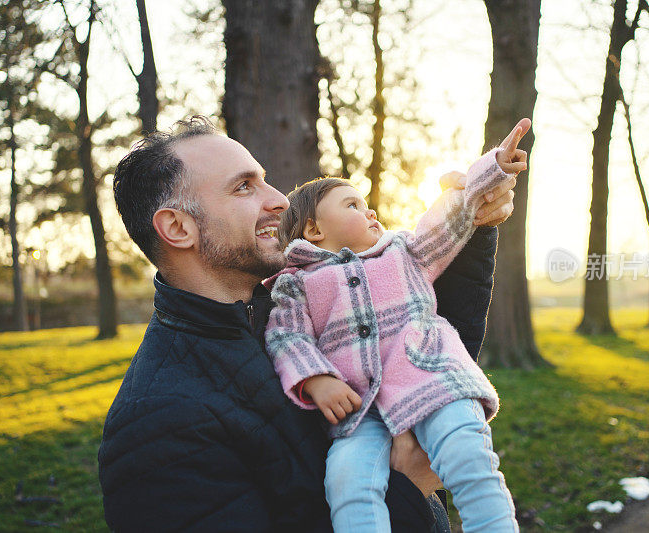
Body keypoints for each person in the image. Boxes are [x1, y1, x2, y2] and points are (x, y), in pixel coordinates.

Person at [97, 116, 518, 532]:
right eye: (244, 186)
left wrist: (476, 228)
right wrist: (408, 486)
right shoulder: (153, 426)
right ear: (178, 227)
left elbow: (422, 338)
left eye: (265, 180)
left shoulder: (285, 304)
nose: (280, 200)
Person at [263, 119, 529, 533]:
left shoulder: (405, 252)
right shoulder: (294, 285)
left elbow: (450, 217)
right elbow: (286, 336)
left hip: (433, 380)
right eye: (352, 205)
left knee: (469, 459)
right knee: (347, 483)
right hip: (357, 407)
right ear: (314, 229)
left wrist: (491, 168)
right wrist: (316, 379)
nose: (369, 210)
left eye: (366, 203)